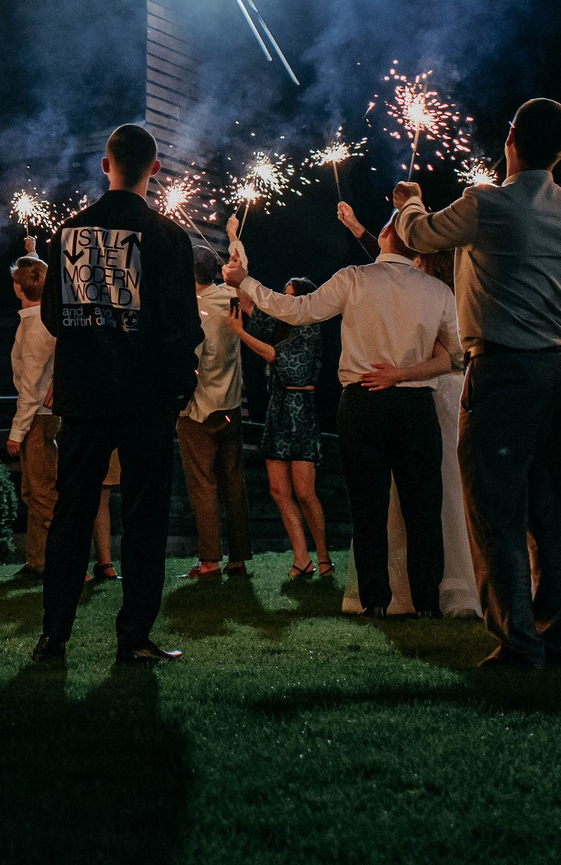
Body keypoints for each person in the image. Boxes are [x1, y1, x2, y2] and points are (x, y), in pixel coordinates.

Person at [394, 96, 561, 669]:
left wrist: (408, 203)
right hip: (559, 373)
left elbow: (420, 237)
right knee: (548, 511)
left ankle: (517, 642)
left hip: (503, 371)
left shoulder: (485, 203)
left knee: (494, 510)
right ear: (560, 151)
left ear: (510, 137)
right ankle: (553, 636)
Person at [228, 207, 461, 617]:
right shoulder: (438, 292)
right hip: (415, 406)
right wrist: (405, 373)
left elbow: (296, 311)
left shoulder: (354, 278)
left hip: (363, 402)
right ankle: (427, 604)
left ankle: (374, 603)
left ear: (386, 233)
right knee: (424, 509)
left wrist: (244, 280)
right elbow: (457, 357)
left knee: (367, 509)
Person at [34, 122, 201, 666]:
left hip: (83, 397)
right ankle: (133, 637)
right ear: (155, 169)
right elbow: (182, 328)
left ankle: (53, 636)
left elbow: (55, 318)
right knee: (145, 517)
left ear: (105, 166)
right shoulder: (171, 238)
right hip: (146, 401)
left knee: (71, 515)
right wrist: (178, 389)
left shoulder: (68, 233)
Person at [239, 280, 334, 584]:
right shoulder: (282, 324)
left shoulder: (309, 327)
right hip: (277, 411)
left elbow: (284, 361)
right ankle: (301, 559)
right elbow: (250, 307)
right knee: (279, 491)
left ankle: (324, 558)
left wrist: (239, 333)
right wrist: (237, 251)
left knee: (305, 492)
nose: (285, 302)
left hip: (300, 411)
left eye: (291, 297)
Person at [176, 242, 252, 580]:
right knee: (234, 482)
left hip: (199, 409)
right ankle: (238, 557)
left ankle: (209, 562)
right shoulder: (230, 298)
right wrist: (235, 239)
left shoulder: (194, 311)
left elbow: (187, 366)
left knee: (203, 486)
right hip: (231, 404)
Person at [5, 239, 56, 576]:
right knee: (32, 490)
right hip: (40, 416)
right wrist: (33, 254)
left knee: (42, 493)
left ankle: (56, 560)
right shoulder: (42, 317)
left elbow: (31, 388)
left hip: (37, 418)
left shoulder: (35, 326)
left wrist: (16, 433)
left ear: (17, 288)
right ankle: (37, 560)